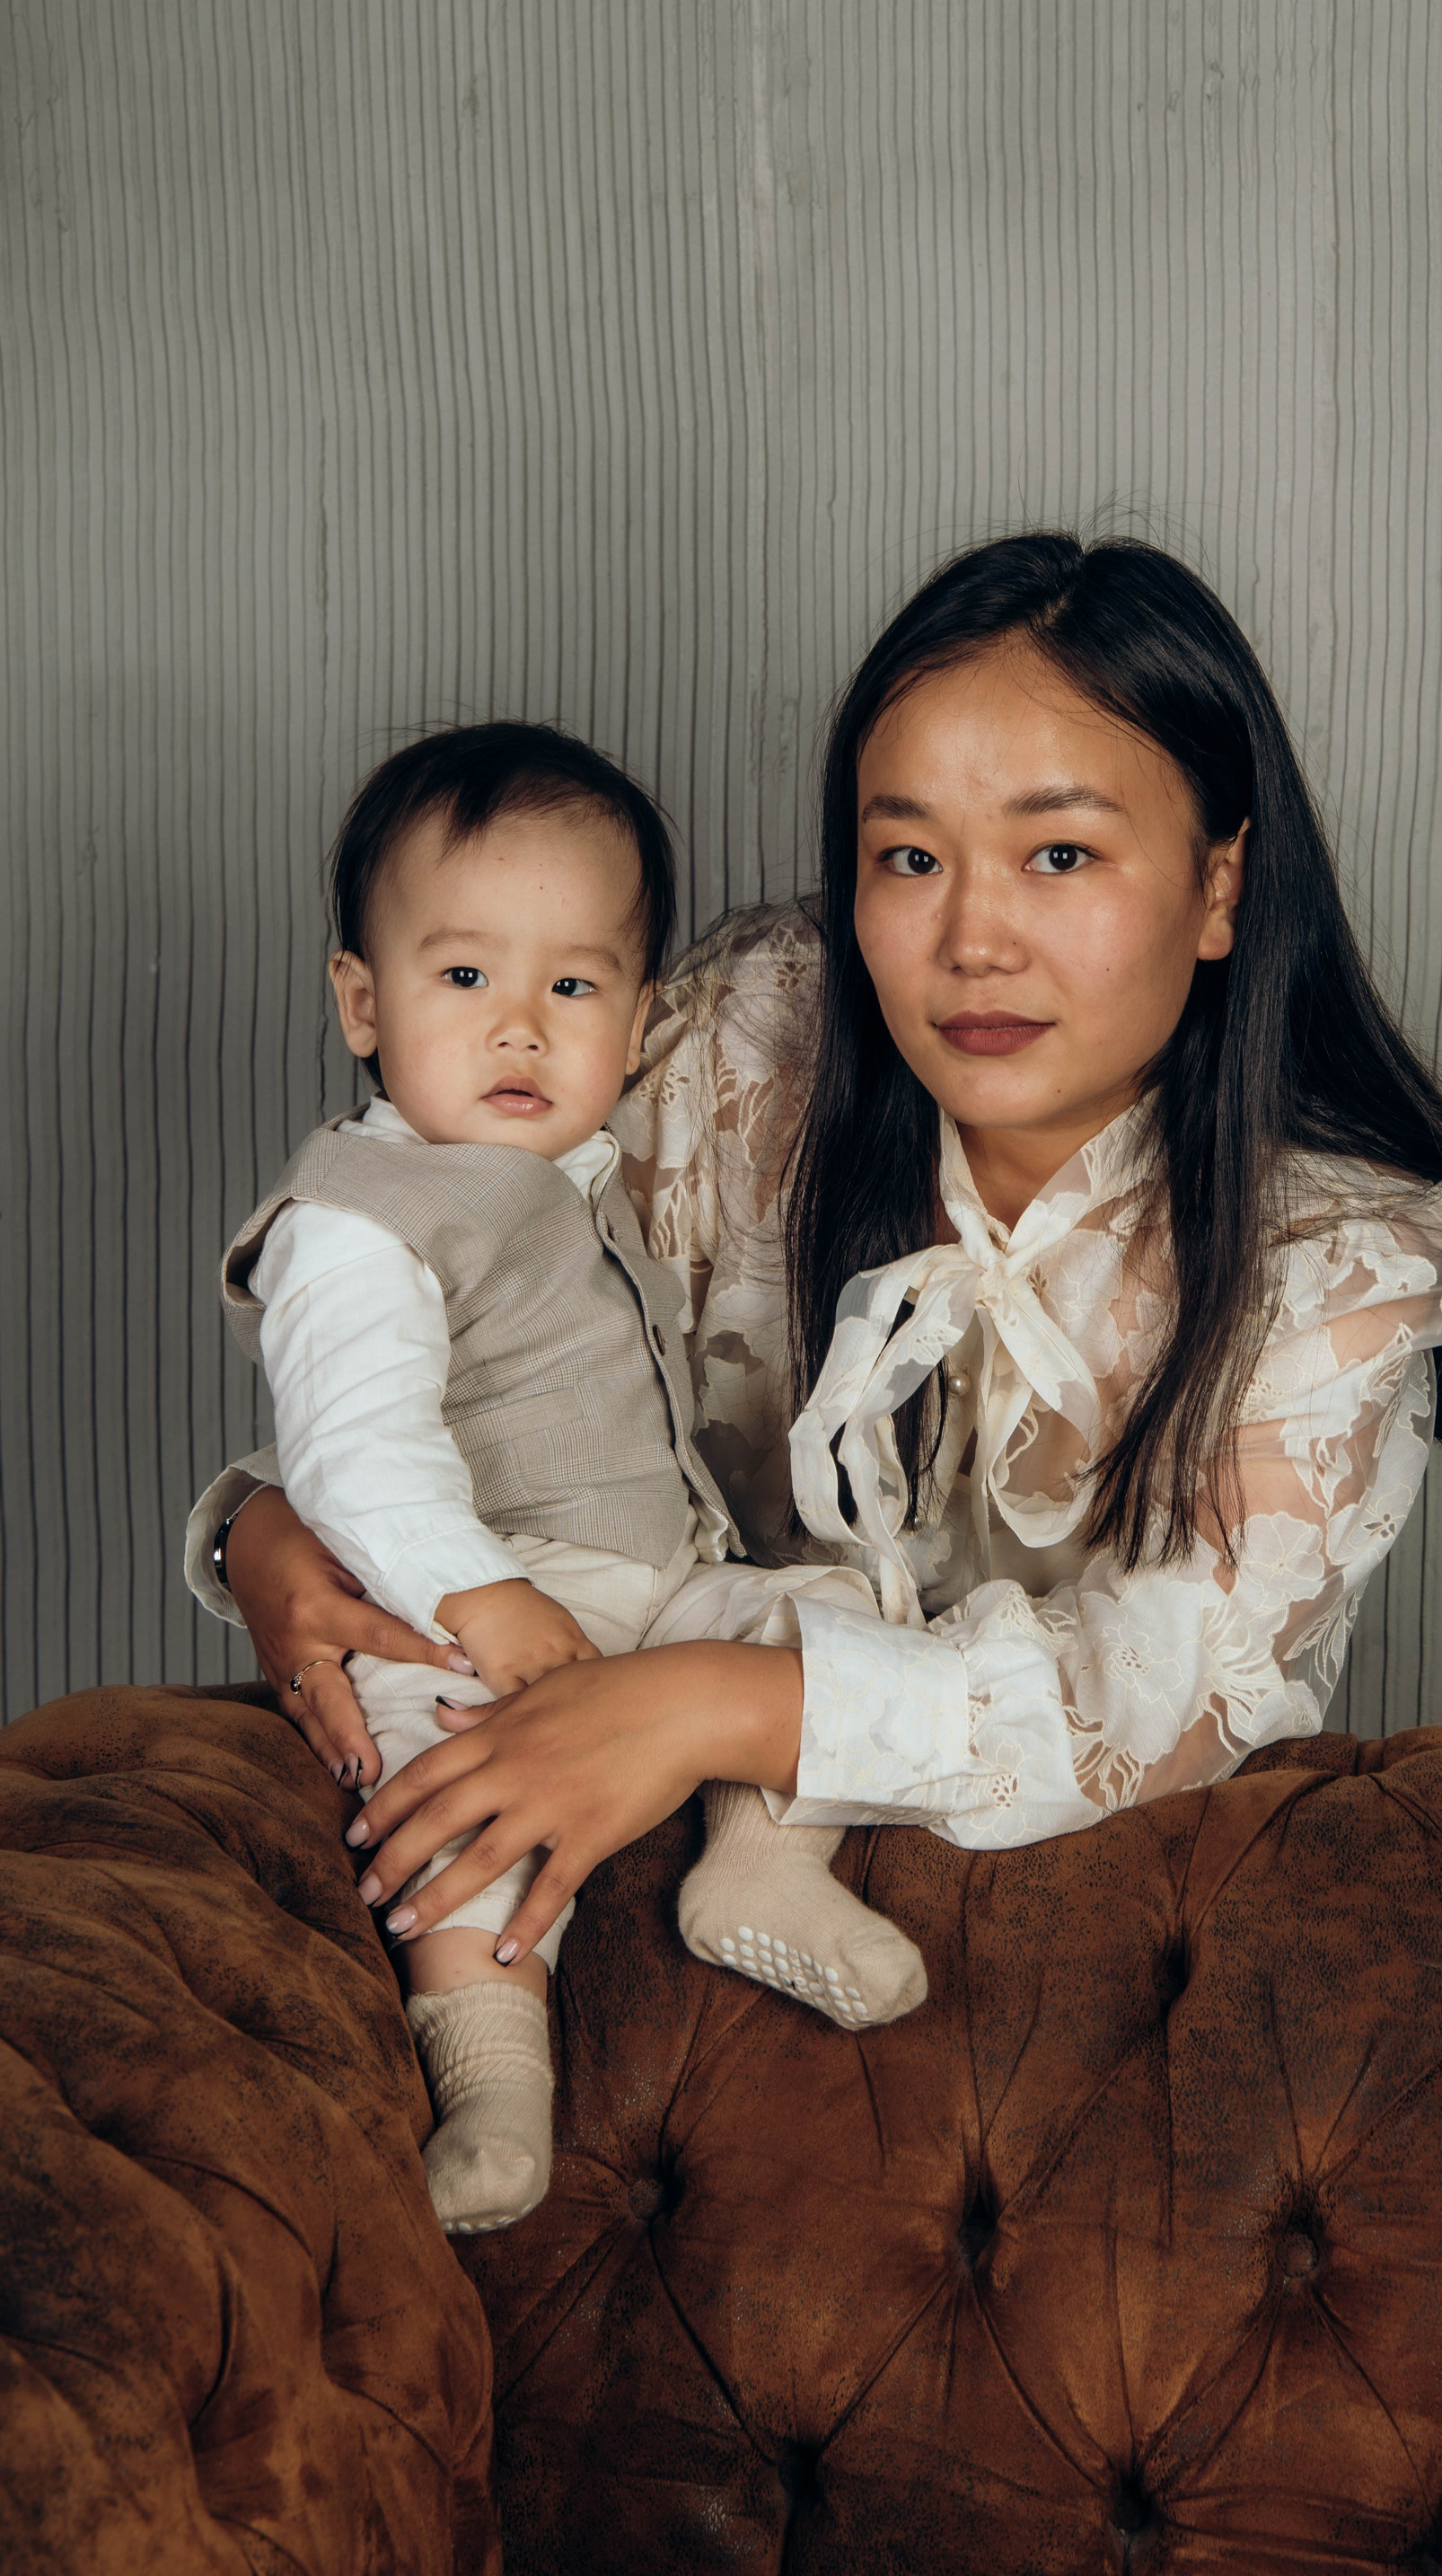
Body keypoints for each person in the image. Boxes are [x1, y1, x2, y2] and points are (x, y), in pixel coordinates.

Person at [193, 532, 1442, 2033]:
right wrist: (265, 1524)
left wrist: (706, 1703)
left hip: (1066, 1991)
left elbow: (1174, 1687)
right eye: (910, 858)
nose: (972, 941)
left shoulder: (1336, 1265)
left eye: (1059, 854)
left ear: (1218, 885)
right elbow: (479, 1323)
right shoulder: (743, 1054)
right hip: (629, 1932)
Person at [206, 723, 923, 2236]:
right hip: (474, 1600)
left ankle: (759, 1866)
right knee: (448, 1788)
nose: (520, 1030)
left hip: (656, 1588)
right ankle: (493, 2079)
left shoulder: (579, 1181)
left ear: (639, 1020)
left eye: (573, 989)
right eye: (466, 977)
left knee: (839, 1616)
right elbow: (353, 1445)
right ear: (363, 1001)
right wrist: (481, 1598)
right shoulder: (359, 1221)